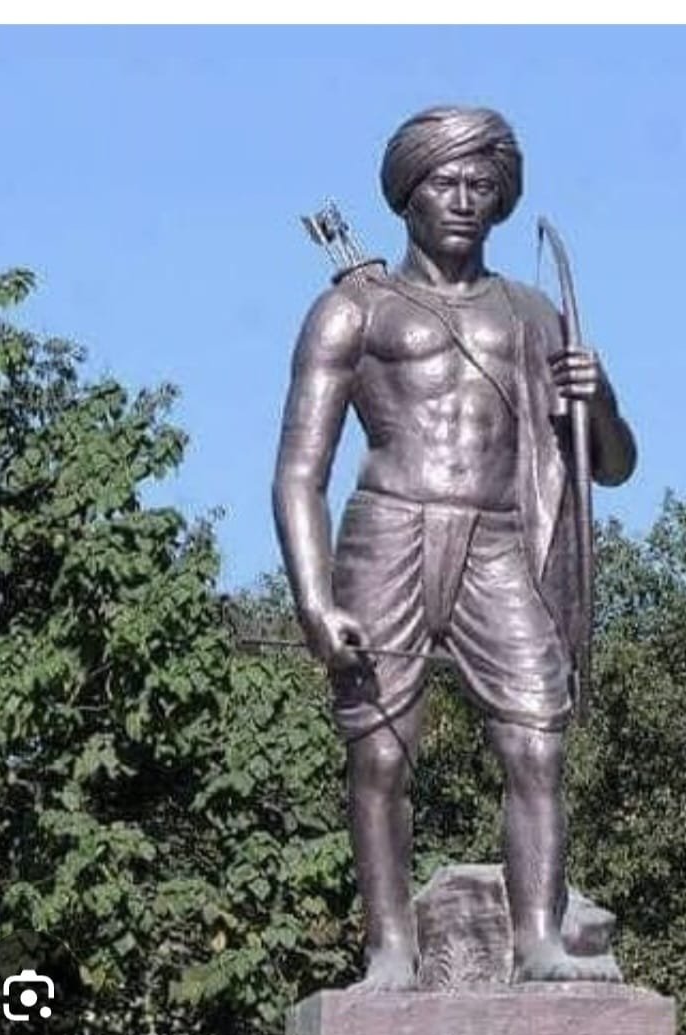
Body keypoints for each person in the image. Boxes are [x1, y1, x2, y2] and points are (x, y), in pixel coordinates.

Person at [273, 106, 636, 990]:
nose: (465, 198)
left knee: (537, 744)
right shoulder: (351, 310)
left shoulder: (533, 314)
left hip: (499, 541)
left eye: (482, 183)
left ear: (503, 196)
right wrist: (314, 598)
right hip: (388, 530)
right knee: (381, 755)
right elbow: (298, 474)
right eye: (446, 181)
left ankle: (539, 940)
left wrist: (600, 398)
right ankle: (389, 951)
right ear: (409, 193)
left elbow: (613, 466)